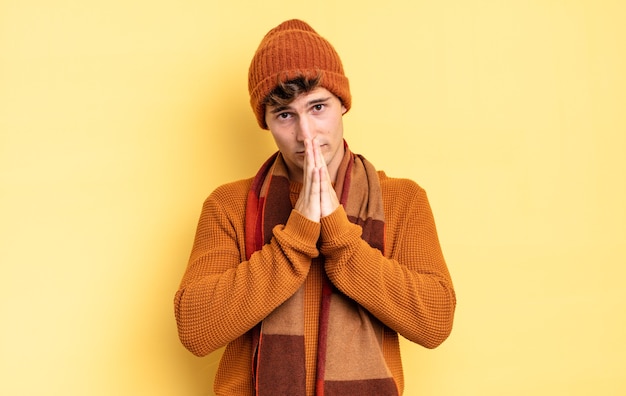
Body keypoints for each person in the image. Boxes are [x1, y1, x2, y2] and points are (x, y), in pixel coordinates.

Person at [174, 19, 456, 396]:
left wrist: (341, 241)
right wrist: (296, 236)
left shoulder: (402, 200)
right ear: (267, 123)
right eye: (285, 114)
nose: (306, 134)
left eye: (318, 107)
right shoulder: (227, 206)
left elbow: (435, 322)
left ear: (343, 104)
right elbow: (196, 328)